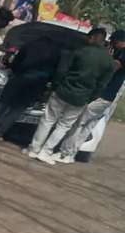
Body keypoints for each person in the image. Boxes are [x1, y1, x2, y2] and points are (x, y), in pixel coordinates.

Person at [28, 26, 115, 162]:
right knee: (64, 126)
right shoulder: (109, 62)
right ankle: (46, 152)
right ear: (103, 40)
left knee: (48, 119)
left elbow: (62, 71)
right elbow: (102, 85)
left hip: (62, 91)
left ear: (92, 38)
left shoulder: (79, 51)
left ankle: (34, 149)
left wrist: (56, 86)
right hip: (81, 98)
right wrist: (90, 98)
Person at [0, 33, 62, 140]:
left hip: (20, 78)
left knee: (3, 103)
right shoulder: (56, 52)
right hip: (37, 84)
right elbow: (55, 71)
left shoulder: (30, 44)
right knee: (17, 109)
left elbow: (17, 61)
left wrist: (14, 70)